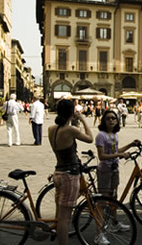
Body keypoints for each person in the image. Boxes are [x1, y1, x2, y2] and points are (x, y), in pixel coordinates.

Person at [48, 99, 93, 245]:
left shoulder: (51, 129)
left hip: (58, 172)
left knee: (59, 212)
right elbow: (90, 138)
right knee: (65, 218)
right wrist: (83, 120)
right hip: (69, 174)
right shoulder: (70, 130)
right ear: (72, 113)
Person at [95, 110, 138, 244]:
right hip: (105, 171)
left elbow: (115, 151)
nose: (111, 120)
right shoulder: (101, 136)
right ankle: (98, 234)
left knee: (114, 198)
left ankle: (114, 223)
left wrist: (130, 145)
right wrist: (119, 156)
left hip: (114, 170)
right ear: (104, 121)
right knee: (102, 202)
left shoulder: (114, 134)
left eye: (114, 118)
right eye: (108, 119)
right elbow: (102, 156)